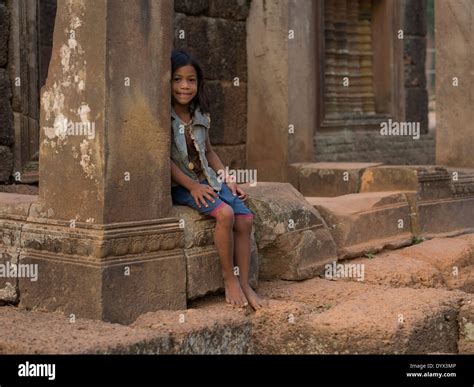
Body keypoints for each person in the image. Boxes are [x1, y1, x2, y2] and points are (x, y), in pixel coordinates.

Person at [170, 50, 267, 310]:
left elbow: (209, 151)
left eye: (191, 80)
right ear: (168, 82)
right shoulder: (163, 116)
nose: (184, 86)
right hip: (183, 185)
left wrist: (227, 178)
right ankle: (230, 279)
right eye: (177, 79)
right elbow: (162, 161)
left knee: (245, 218)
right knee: (225, 214)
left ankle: (245, 283)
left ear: (198, 84)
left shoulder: (199, 114)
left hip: (209, 179)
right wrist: (192, 186)